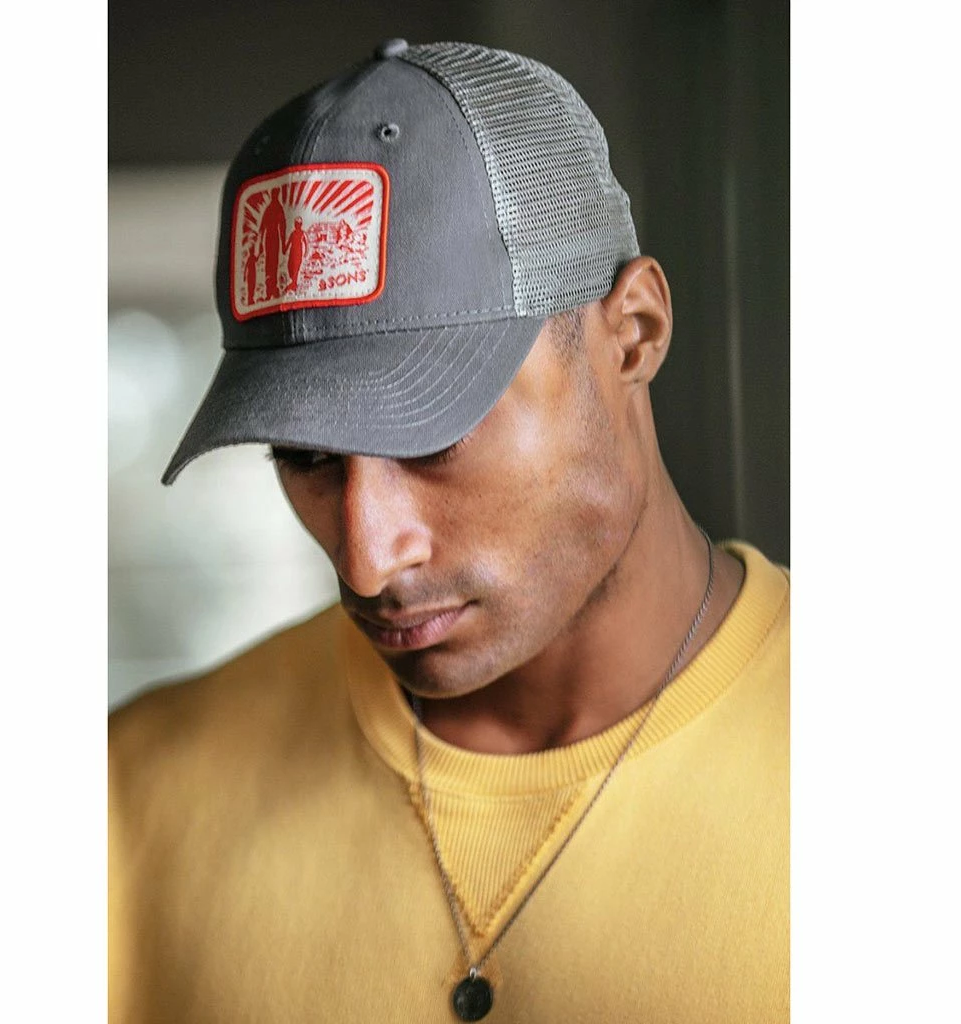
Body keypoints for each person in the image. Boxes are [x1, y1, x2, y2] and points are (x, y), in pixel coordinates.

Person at [109, 38, 788, 1024]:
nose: (365, 558)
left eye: (433, 434)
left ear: (633, 333)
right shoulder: (134, 796)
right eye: (305, 456)